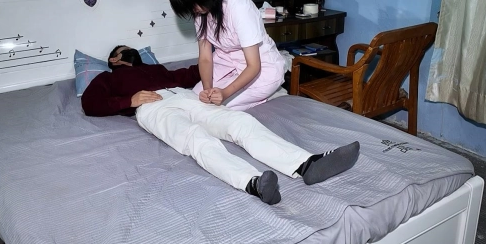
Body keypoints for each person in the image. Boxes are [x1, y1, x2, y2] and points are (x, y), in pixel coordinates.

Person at [81, 46, 361, 205]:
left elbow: (195, 71)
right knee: (196, 138)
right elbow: (90, 103)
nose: (131, 51)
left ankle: (306, 164)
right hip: (152, 107)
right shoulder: (108, 78)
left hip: (185, 96)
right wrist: (129, 100)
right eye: (124, 50)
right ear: (114, 59)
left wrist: (226, 56)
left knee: (239, 121)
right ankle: (253, 183)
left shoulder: (157, 69)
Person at [168, 0, 286, 111]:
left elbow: (254, 66)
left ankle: (265, 95)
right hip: (227, 63)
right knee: (197, 98)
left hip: (260, 68)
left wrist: (225, 93)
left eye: (194, 4)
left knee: (217, 108)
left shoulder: (240, 8)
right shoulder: (199, 12)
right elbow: (205, 58)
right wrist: (208, 90)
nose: (194, 10)